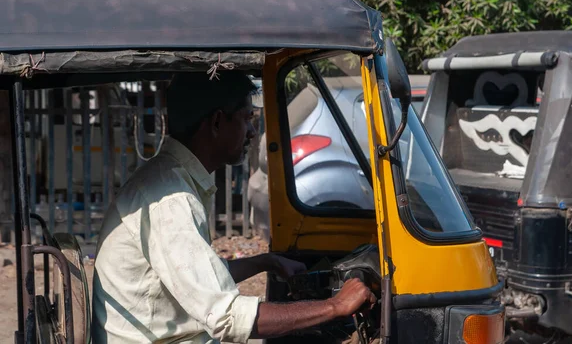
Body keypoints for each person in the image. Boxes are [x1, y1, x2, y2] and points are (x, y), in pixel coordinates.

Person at [91, 70, 376, 344]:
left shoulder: (172, 181)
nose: (252, 132)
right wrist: (334, 307)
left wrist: (265, 262)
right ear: (217, 122)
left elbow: (197, 278)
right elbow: (226, 317)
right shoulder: (171, 199)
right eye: (247, 118)